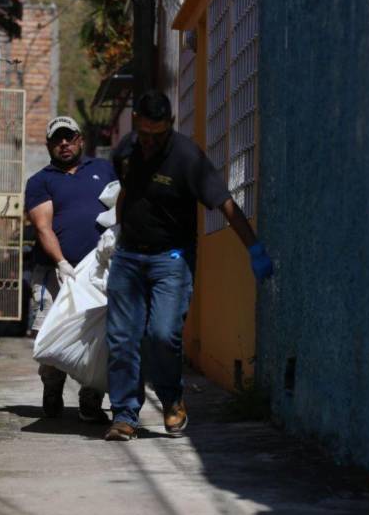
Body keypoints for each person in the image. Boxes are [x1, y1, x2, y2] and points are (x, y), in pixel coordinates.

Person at [104, 90, 274, 441]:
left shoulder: (187, 157)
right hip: (128, 256)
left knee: (162, 334)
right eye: (145, 135)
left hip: (172, 258)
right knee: (122, 338)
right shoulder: (124, 152)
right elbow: (127, 192)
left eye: (159, 135)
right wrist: (116, 232)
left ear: (170, 127)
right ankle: (124, 414)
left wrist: (253, 247)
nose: (150, 143)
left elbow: (225, 203)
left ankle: (171, 398)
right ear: (136, 123)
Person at [25, 116, 118, 423]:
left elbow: (119, 208)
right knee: (52, 333)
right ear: (49, 145)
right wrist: (61, 262)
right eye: (57, 139)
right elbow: (42, 226)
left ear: (80, 139)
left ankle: (91, 401)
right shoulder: (40, 180)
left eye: (69, 137)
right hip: (56, 272)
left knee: (98, 338)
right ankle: (52, 389)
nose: (64, 144)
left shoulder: (104, 170)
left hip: (99, 273)